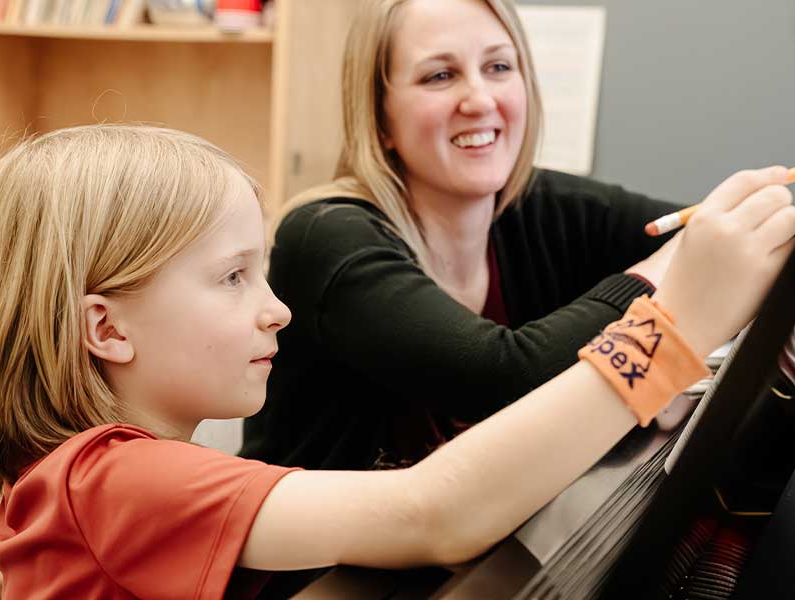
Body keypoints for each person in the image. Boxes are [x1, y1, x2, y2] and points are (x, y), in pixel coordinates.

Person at [0, 124, 795, 599]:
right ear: (106, 328)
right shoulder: (109, 482)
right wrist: (672, 330)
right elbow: (436, 511)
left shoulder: (103, 478)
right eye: (233, 277)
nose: (276, 308)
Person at [240, 0, 730, 471]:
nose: (480, 100)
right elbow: (499, 381)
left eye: (498, 67)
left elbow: (725, 231)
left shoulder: (548, 205)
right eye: (440, 75)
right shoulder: (326, 236)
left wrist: (736, 226)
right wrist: (661, 271)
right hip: (327, 533)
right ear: (379, 116)